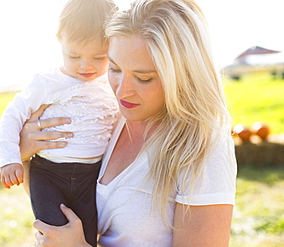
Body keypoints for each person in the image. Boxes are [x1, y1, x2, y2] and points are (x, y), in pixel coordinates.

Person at [21, 0, 237, 246]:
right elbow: (62, 202)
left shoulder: (203, 146)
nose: (122, 92)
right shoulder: (107, 117)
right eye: (114, 68)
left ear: (184, 75)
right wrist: (25, 156)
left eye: (143, 78)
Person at [0, 0, 119, 246]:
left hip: (90, 176)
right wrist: (9, 158)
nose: (86, 65)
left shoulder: (112, 84)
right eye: (74, 55)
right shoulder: (47, 82)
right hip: (48, 173)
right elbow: (13, 114)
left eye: (99, 57)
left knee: (86, 238)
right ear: (59, 39)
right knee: (53, 237)